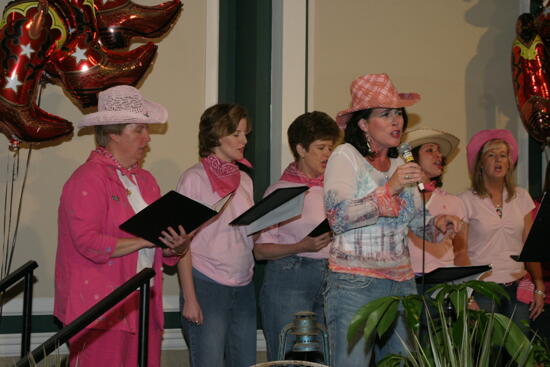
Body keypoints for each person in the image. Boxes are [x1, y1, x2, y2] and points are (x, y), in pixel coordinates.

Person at [323, 73, 462, 367]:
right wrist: (390, 188)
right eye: (385, 114)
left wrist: (439, 224)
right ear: (363, 123)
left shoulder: (401, 162)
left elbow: (415, 223)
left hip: (401, 284)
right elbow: (337, 217)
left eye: (398, 113)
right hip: (354, 284)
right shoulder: (344, 157)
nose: (396, 121)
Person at [54, 85, 191, 367]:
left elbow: (163, 254)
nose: (147, 137)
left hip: (143, 305)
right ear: (113, 133)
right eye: (138, 129)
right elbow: (88, 243)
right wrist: (144, 240)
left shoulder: (146, 180)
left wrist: (176, 246)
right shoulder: (88, 179)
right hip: (101, 309)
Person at [254, 111, 340, 362]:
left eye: (330, 148)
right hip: (290, 278)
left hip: (332, 277)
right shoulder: (281, 192)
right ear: (301, 149)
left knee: (327, 356)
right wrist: (302, 245)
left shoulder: (335, 189)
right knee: (288, 355)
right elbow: (260, 250)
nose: (327, 154)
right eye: (321, 147)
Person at [176, 103, 256, 367]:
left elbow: (242, 234)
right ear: (215, 136)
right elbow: (181, 242)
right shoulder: (194, 179)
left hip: (243, 284)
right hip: (206, 284)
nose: (244, 140)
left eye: (245, 133)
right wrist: (190, 298)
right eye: (236, 133)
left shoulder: (245, 180)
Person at [458, 129, 545, 329]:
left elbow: (529, 246)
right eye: (491, 155)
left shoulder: (521, 197)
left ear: (509, 162)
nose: (498, 160)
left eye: (503, 155)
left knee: (519, 354)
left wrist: (539, 285)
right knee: (488, 354)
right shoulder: (465, 200)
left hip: (518, 286)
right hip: (483, 289)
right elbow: (460, 252)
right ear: (481, 163)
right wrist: (467, 294)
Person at [403, 128, 470, 276]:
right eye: (430, 150)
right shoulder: (398, 200)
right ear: (412, 158)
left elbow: (461, 251)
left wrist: (465, 292)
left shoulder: (454, 202)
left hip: (442, 283)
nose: (439, 155)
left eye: (439, 150)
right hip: (405, 283)